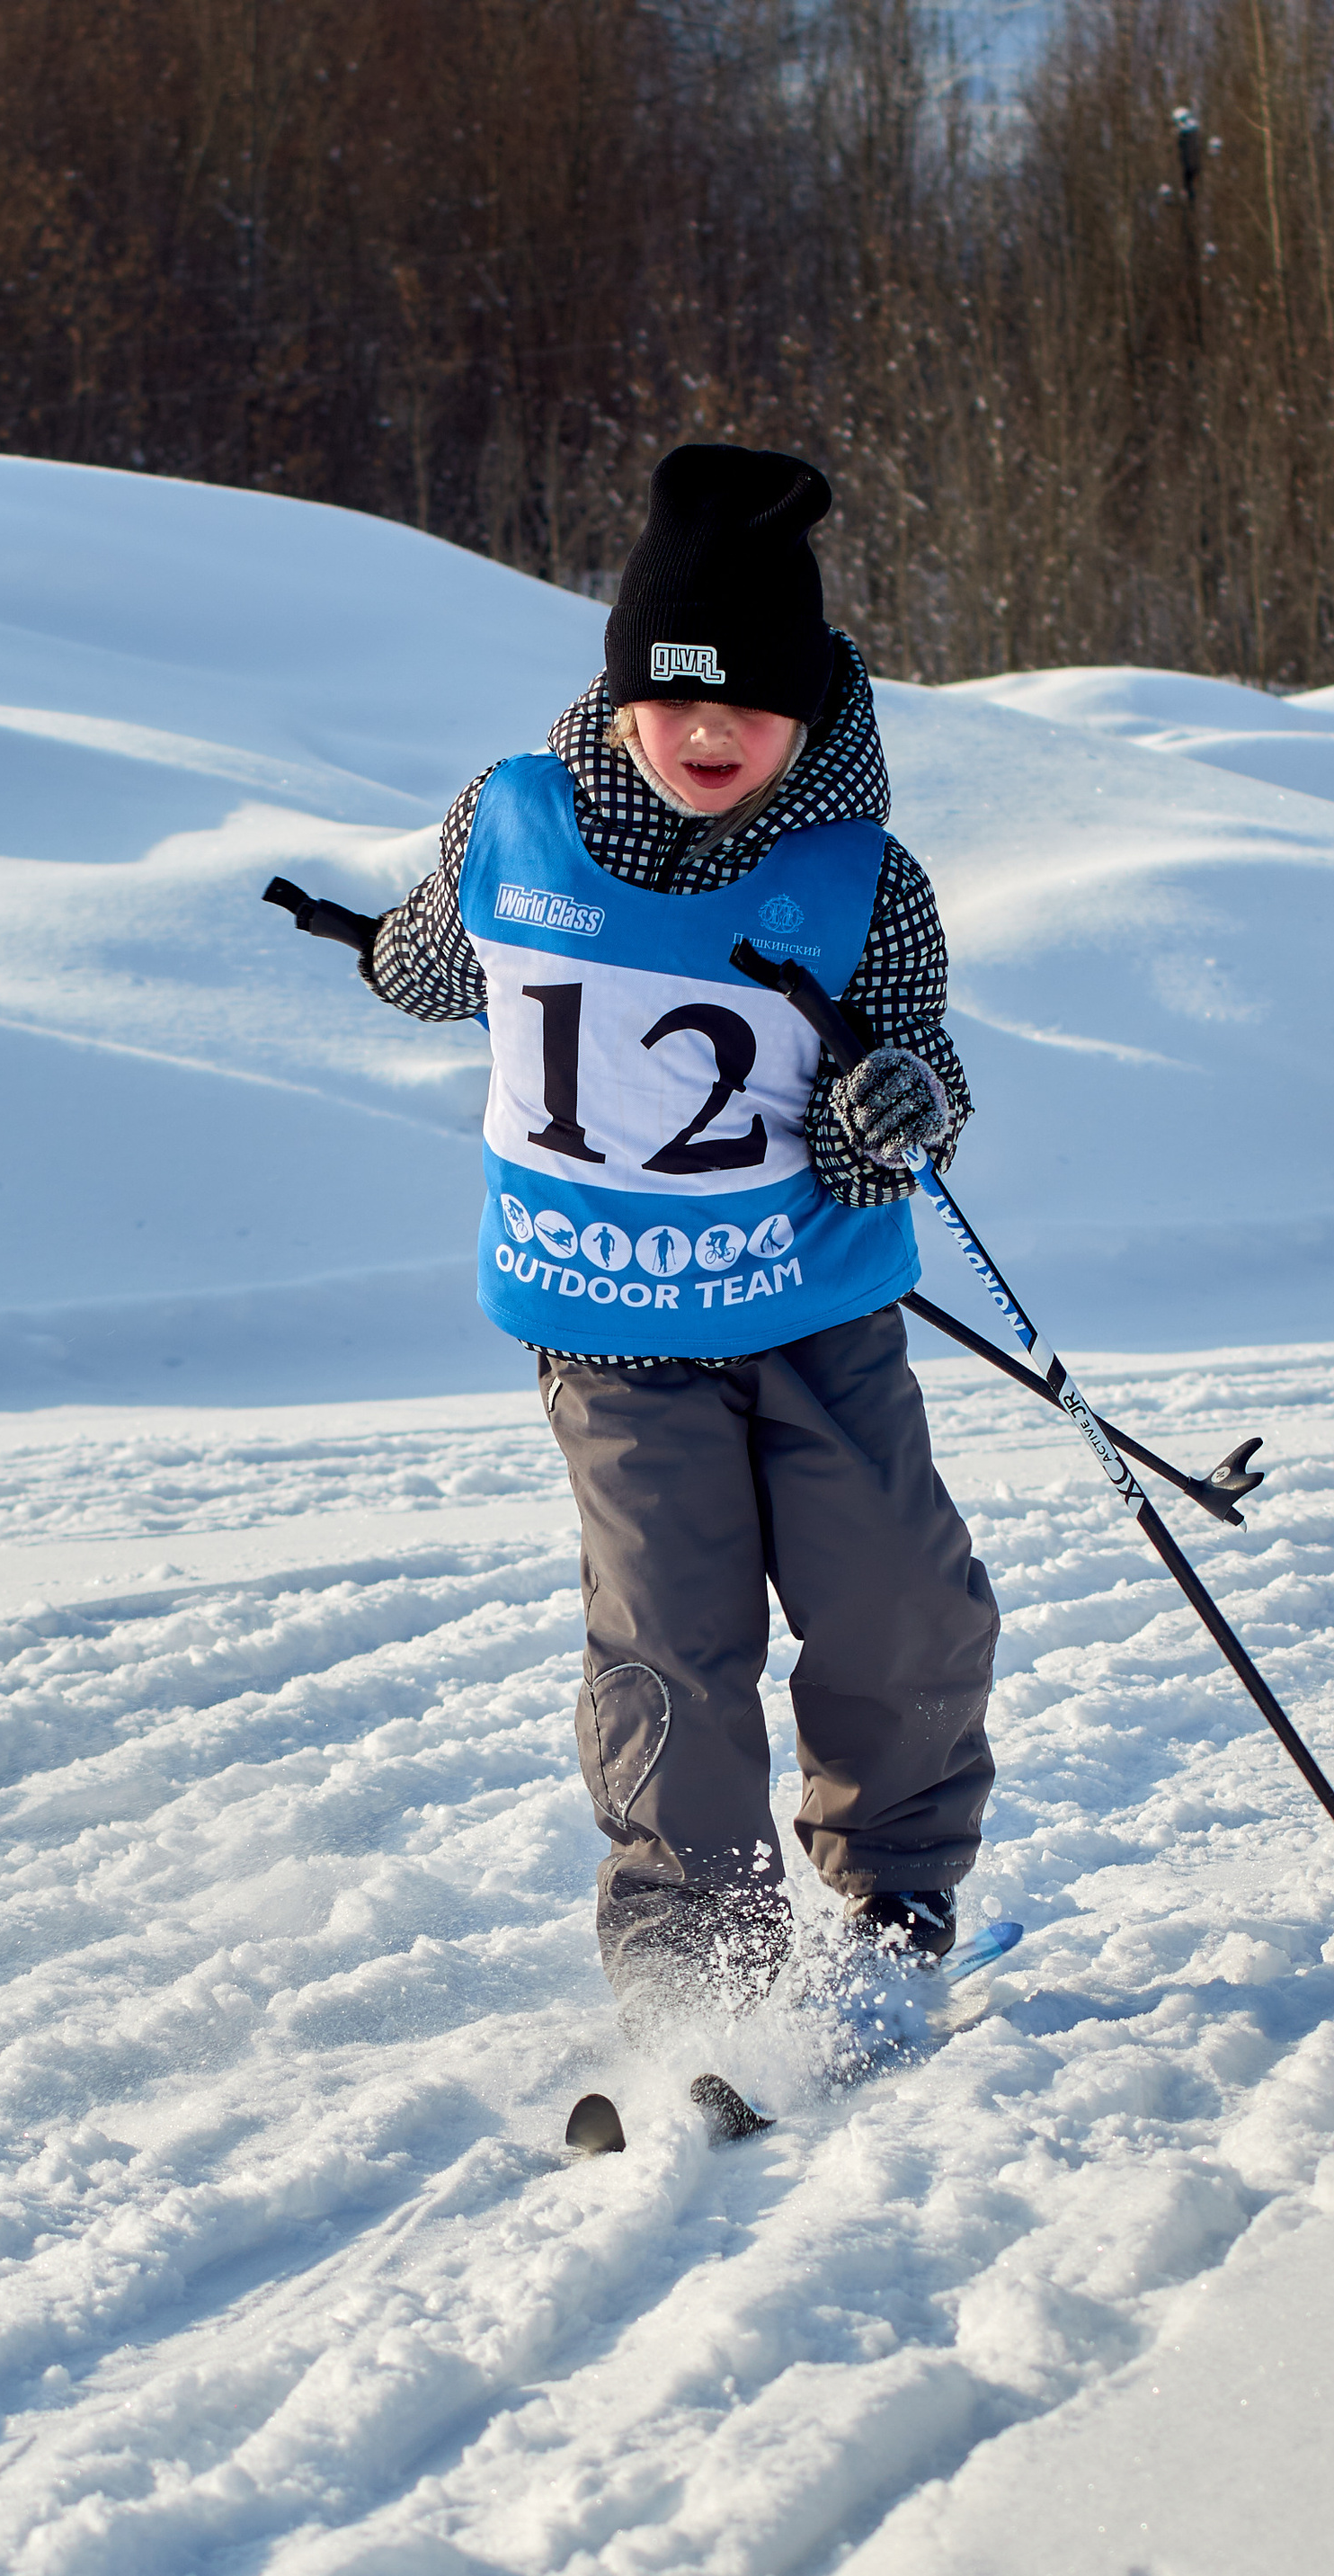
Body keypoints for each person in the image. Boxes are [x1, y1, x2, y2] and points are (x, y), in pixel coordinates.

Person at [363, 441, 999, 2040]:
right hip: (613, 1334)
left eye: (755, 706)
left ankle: (891, 1902)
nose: (712, 733)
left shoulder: (863, 883)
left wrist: (894, 1109)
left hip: (815, 1318)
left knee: (900, 1607)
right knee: (668, 1647)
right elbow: (440, 964)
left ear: (812, 711)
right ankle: (697, 1977)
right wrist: (386, 948)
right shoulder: (512, 820)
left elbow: (913, 1079)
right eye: (677, 696)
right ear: (622, 692)